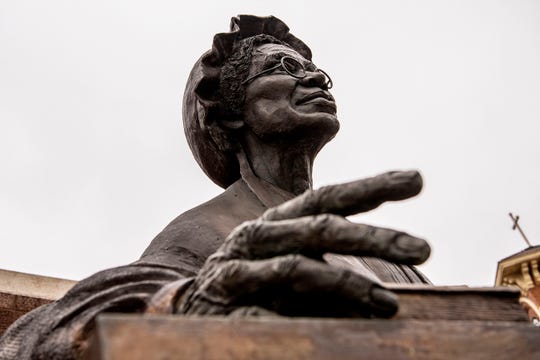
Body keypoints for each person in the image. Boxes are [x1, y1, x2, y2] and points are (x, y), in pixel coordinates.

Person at [0, 15, 430, 359]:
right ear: (229, 113)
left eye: (319, 72)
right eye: (285, 67)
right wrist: (180, 307)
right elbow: (34, 341)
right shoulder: (210, 229)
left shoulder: (394, 264)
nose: (315, 79)